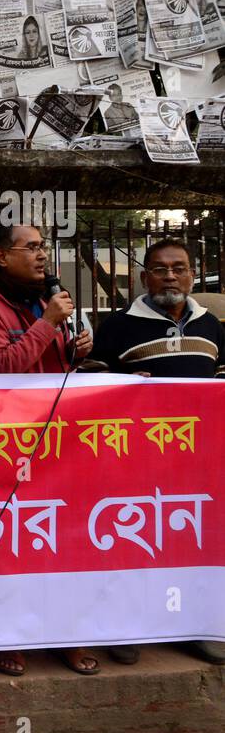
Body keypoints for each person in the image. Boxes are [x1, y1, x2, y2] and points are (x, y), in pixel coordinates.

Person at [0, 223, 99, 678]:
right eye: (32, 247)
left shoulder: (43, 300)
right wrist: (49, 325)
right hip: (6, 443)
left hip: (54, 443)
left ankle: (63, 635)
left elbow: (50, 364)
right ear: (1, 256)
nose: (42, 256)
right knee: (9, 546)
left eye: (44, 248)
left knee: (60, 542)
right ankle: (5, 636)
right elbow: (3, 366)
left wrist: (74, 349)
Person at [79, 238, 225, 668]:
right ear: (144, 277)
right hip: (136, 463)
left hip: (199, 464)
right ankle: (127, 628)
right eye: (159, 269)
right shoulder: (120, 325)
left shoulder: (212, 325)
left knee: (193, 546)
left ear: (192, 274)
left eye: (178, 268)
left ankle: (194, 628)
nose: (170, 276)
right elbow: (92, 379)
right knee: (133, 542)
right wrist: (123, 383)